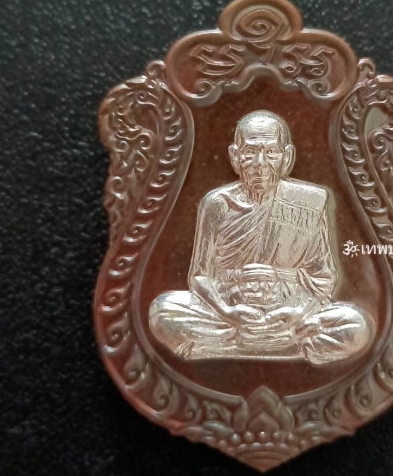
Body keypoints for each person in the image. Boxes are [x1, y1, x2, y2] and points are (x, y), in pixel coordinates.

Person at [149, 110, 373, 364]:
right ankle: (284, 348)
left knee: (355, 326)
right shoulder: (217, 204)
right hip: (229, 312)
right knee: (163, 312)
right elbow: (200, 276)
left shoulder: (308, 202)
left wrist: (297, 312)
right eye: (250, 152)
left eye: (271, 152)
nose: (260, 163)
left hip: (288, 314)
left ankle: (230, 347)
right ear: (235, 157)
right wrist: (228, 311)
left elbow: (322, 278)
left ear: (287, 157)